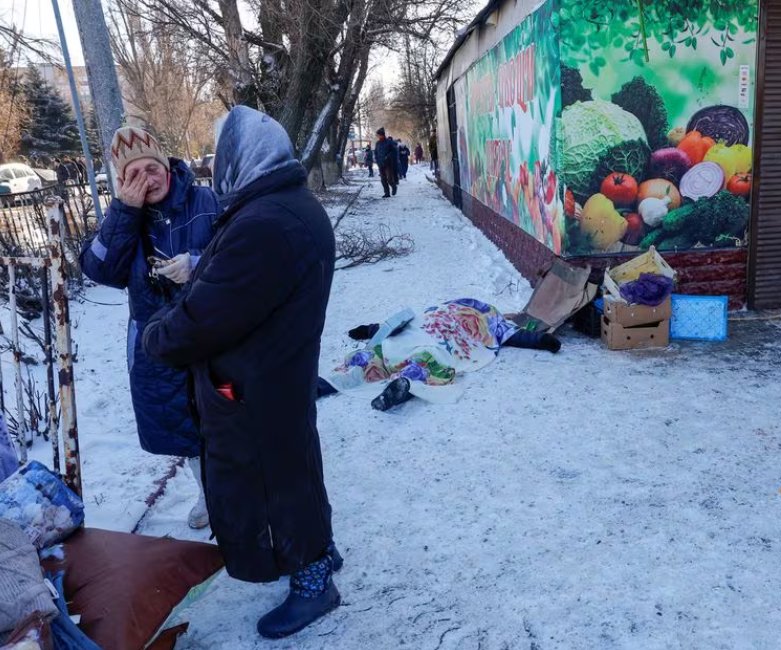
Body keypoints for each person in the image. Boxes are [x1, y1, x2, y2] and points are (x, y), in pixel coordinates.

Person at [142, 105, 341, 640]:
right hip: (276, 373)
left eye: (221, 155)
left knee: (275, 483)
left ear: (243, 158)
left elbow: (208, 315)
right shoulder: (284, 204)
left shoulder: (265, 223)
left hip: (255, 385)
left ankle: (314, 580)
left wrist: (156, 334)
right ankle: (321, 551)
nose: (214, 168)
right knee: (294, 466)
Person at [80, 127, 219, 528]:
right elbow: (100, 268)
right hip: (157, 335)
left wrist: (196, 262)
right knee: (181, 421)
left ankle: (237, 492)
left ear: (168, 166)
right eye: (134, 172)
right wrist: (124, 211)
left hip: (209, 327)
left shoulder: (205, 200)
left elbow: (237, 252)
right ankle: (208, 494)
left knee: (223, 413)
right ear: (123, 180)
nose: (147, 179)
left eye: (153, 168)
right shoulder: (124, 216)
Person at [328, 298, 561, 411]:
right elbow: (517, 335)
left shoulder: (491, 318)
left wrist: (370, 329)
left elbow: (397, 323)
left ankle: (338, 382)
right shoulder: (490, 316)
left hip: (429, 335)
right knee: (426, 360)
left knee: (384, 356)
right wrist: (542, 340)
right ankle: (405, 383)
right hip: (430, 333)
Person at [374, 127, 398, 198]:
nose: (377, 136)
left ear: (382, 135)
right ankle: (387, 193)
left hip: (388, 163)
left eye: (378, 135)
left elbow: (394, 151)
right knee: (383, 179)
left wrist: (388, 156)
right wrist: (377, 159)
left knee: (389, 179)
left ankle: (393, 186)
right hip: (380, 163)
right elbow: (376, 152)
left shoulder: (389, 142)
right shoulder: (377, 143)